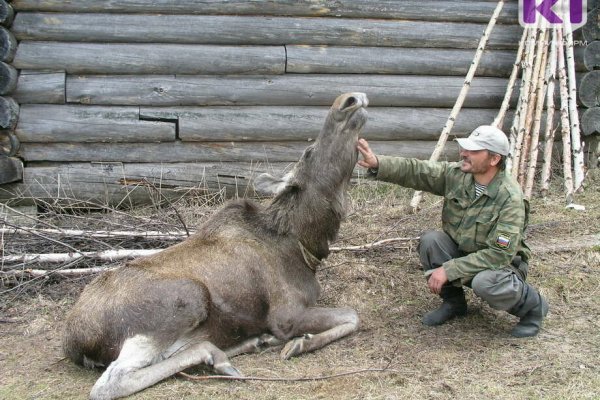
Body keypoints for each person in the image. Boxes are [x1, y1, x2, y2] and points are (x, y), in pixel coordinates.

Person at [356, 125, 548, 337]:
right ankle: (454, 304)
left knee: (485, 282)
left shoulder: (510, 199)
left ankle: (533, 308)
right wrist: (378, 163)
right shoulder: (458, 175)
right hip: (465, 252)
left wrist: (450, 269)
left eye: (473, 151)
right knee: (432, 241)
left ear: (494, 159)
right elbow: (418, 171)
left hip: (502, 267)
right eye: (465, 148)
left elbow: (499, 254)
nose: (464, 153)